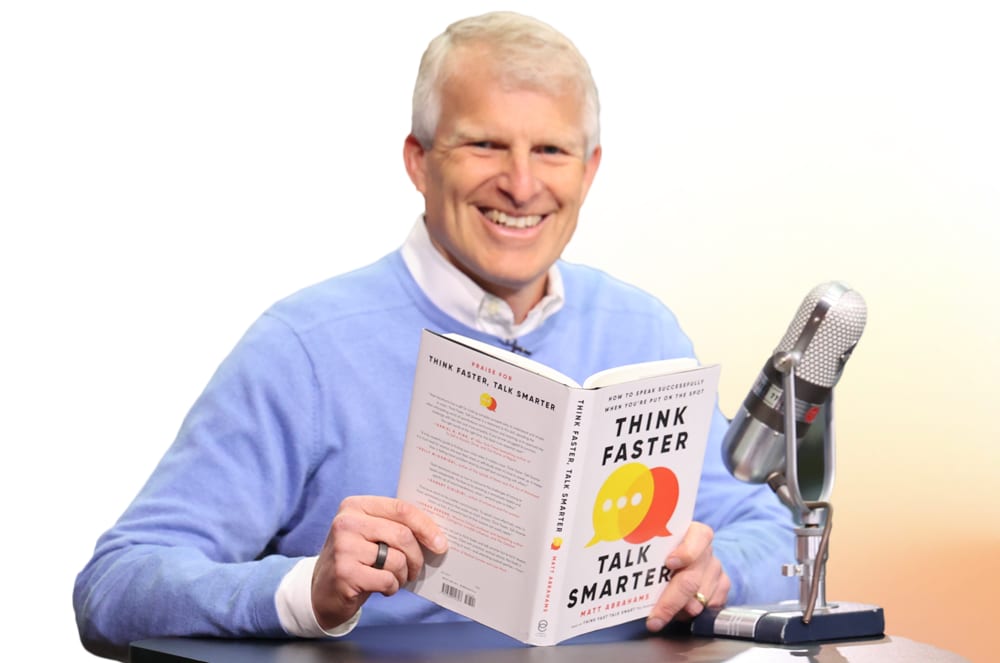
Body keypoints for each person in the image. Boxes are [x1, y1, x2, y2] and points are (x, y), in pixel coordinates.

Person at [74, 10, 795, 660]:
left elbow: (773, 534)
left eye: (550, 150)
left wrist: (719, 567)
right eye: (485, 144)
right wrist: (306, 591)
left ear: (590, 170)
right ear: (418, 161)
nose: (520, 184)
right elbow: (112, 587)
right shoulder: (306, 347)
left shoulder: (642, 329)